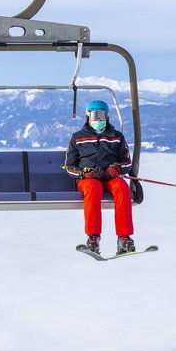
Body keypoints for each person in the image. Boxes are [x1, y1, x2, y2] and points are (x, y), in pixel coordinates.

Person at [64, 100, 136, 255]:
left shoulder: (116, 137)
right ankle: (93, 237)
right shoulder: (78, 137)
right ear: (88, 117)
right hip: (88, 179)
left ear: (107, 117)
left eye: (102, 116)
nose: (98, 120)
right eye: (95, 115)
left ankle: (124, 238)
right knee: (93, 187)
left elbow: (127, 162)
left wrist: (116, 169)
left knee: (122, 187)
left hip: (110, 177)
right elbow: (69, 167)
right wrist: (84, 173)